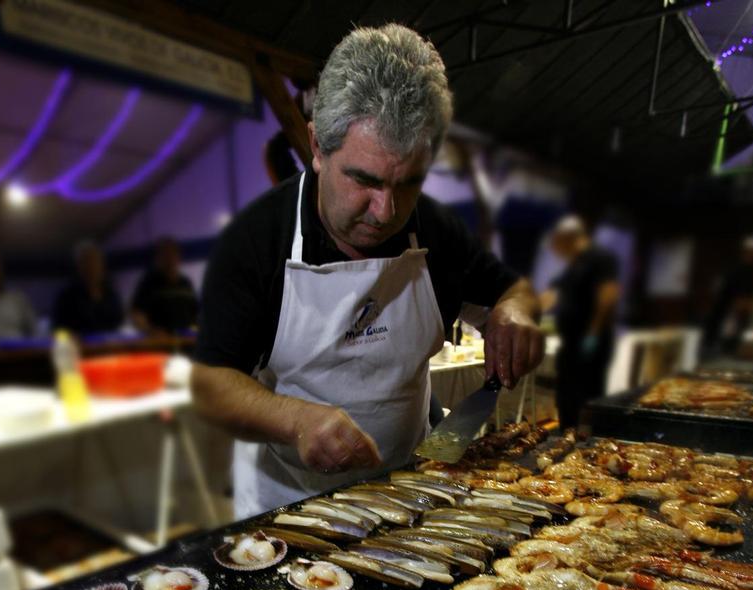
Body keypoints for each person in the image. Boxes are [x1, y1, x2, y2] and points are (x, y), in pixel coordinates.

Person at [191, 24, 544, 518]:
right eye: (364, 180)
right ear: (317, 146)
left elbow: (514, 290)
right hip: (292, 508)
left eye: (409, 184)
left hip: (412, 492)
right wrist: (293, 419)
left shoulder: (438, 232)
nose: (385, 211)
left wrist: (514, 312)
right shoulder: (256, 241)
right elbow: (210, 382)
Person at [542, 215, 620, 430]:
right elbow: (550, 296)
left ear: (568, 238)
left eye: (557, 246)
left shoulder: (599, 258)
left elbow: (608, 296)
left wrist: (593, 333)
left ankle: (588, 446)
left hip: (591, 340)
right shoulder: (573, 265)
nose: (556, 251)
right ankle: (568, 438)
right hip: (571, 342)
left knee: (588, 396)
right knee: (567, 396)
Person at [704, 235, 753, 354]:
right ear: (747, 252)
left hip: (737, 322)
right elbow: (736, 301)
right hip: (726, 320)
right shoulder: (738, 271)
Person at [52, 240, 123, 336]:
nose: (92, 266)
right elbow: (58, 330)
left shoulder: (111, 293)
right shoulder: (66, 297)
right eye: (86, 261)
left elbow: (119, 323)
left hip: (109, 346)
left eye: (96, 261)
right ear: (78, 266)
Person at [130, 237, 199, 334]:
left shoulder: (186, 283)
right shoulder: (149, 282)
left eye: (173, 254)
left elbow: (196, 313)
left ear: (178, 256)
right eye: (165, 254)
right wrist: (150, 331)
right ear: (158, 258)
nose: (169, 258)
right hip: (161, 343)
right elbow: (137, 313)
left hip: (186, 339)